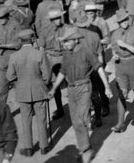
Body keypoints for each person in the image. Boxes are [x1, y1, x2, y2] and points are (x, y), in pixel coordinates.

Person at [48, 27, 113, 163]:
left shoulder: (86, 52)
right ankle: (85, 148)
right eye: (64, 42)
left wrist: (107, 87)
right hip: (71, 90)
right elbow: (63, 71)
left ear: (75, 40)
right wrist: (54, 88)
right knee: (75, 122)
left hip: (84, 87)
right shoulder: (66, 53)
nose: (64, 45)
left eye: (67, 42)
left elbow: (99, 68)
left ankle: (86, 150)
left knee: (80, 120)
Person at [6, 29, 51, 157]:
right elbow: (47, 75)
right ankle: (44, 147)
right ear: (32, 39)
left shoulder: (14, 56)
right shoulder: (40, 54)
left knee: (26, 121)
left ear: (21, 41)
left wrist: (18, 84)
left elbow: (10, 76)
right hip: (39, 91)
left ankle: (28, 148)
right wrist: (44, 83)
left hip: (22, 92)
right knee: (41, 120)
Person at [110, 9, 134, 132]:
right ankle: (120, 123)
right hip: (120, 65)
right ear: (118, 23)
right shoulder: (115, 34)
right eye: (121, 21)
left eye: (125, 20)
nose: (124, 22)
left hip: (133, 63)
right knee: (122, 92)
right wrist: (114, 55)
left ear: (128, 19)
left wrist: (125, 46)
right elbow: (113, 49)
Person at [75, 9, 106, 128]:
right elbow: (100, 54)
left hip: (81, 70)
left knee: (84, 97)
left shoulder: (74, 37)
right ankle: (97, 118)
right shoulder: (94, 35)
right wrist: (100, 68)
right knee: (95, 94)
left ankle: (88, 121)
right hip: (94, 67)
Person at [38, 9, 67, 120]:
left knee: (71, 82)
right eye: (55, 18)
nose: (58, 20)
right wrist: (42, 64)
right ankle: (60, 109)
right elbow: (41, 48)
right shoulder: (44, 31)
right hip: (51, 58)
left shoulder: (66, 28)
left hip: (64, 56)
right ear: (51, 20)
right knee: (55, 85)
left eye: (59, 17)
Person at [0, 4, 22, 102]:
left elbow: (18, 44)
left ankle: (27, 109)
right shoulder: (0, 25)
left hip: (14, 60)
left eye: (1, 18)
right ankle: (1, 112)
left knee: (19, 87)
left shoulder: (15, 25)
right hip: (3, 60)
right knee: (1, 89)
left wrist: (1, 46)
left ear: (6, 16)